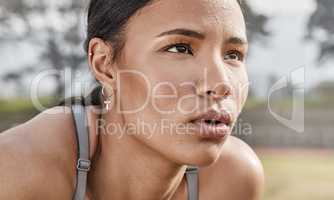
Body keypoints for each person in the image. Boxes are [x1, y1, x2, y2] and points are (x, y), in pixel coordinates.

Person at [0, 0, 264, 199]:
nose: (221, 84)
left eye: (233, 54)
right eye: (179, 48)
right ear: (104, 64)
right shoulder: (18, 170)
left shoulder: (232, 179)